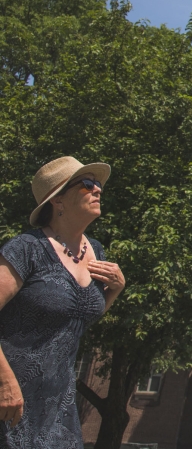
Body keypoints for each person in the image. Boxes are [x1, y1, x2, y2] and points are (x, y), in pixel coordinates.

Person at [0, 156, 126, 448]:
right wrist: (4, 383)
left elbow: (76, 318)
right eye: (87, 184)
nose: (98, 190)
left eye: (98, 185)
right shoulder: (28, 248)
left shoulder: (95, 250)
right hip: (10, 400)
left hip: (59, 407)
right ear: (57, 201)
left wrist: (114, 291)